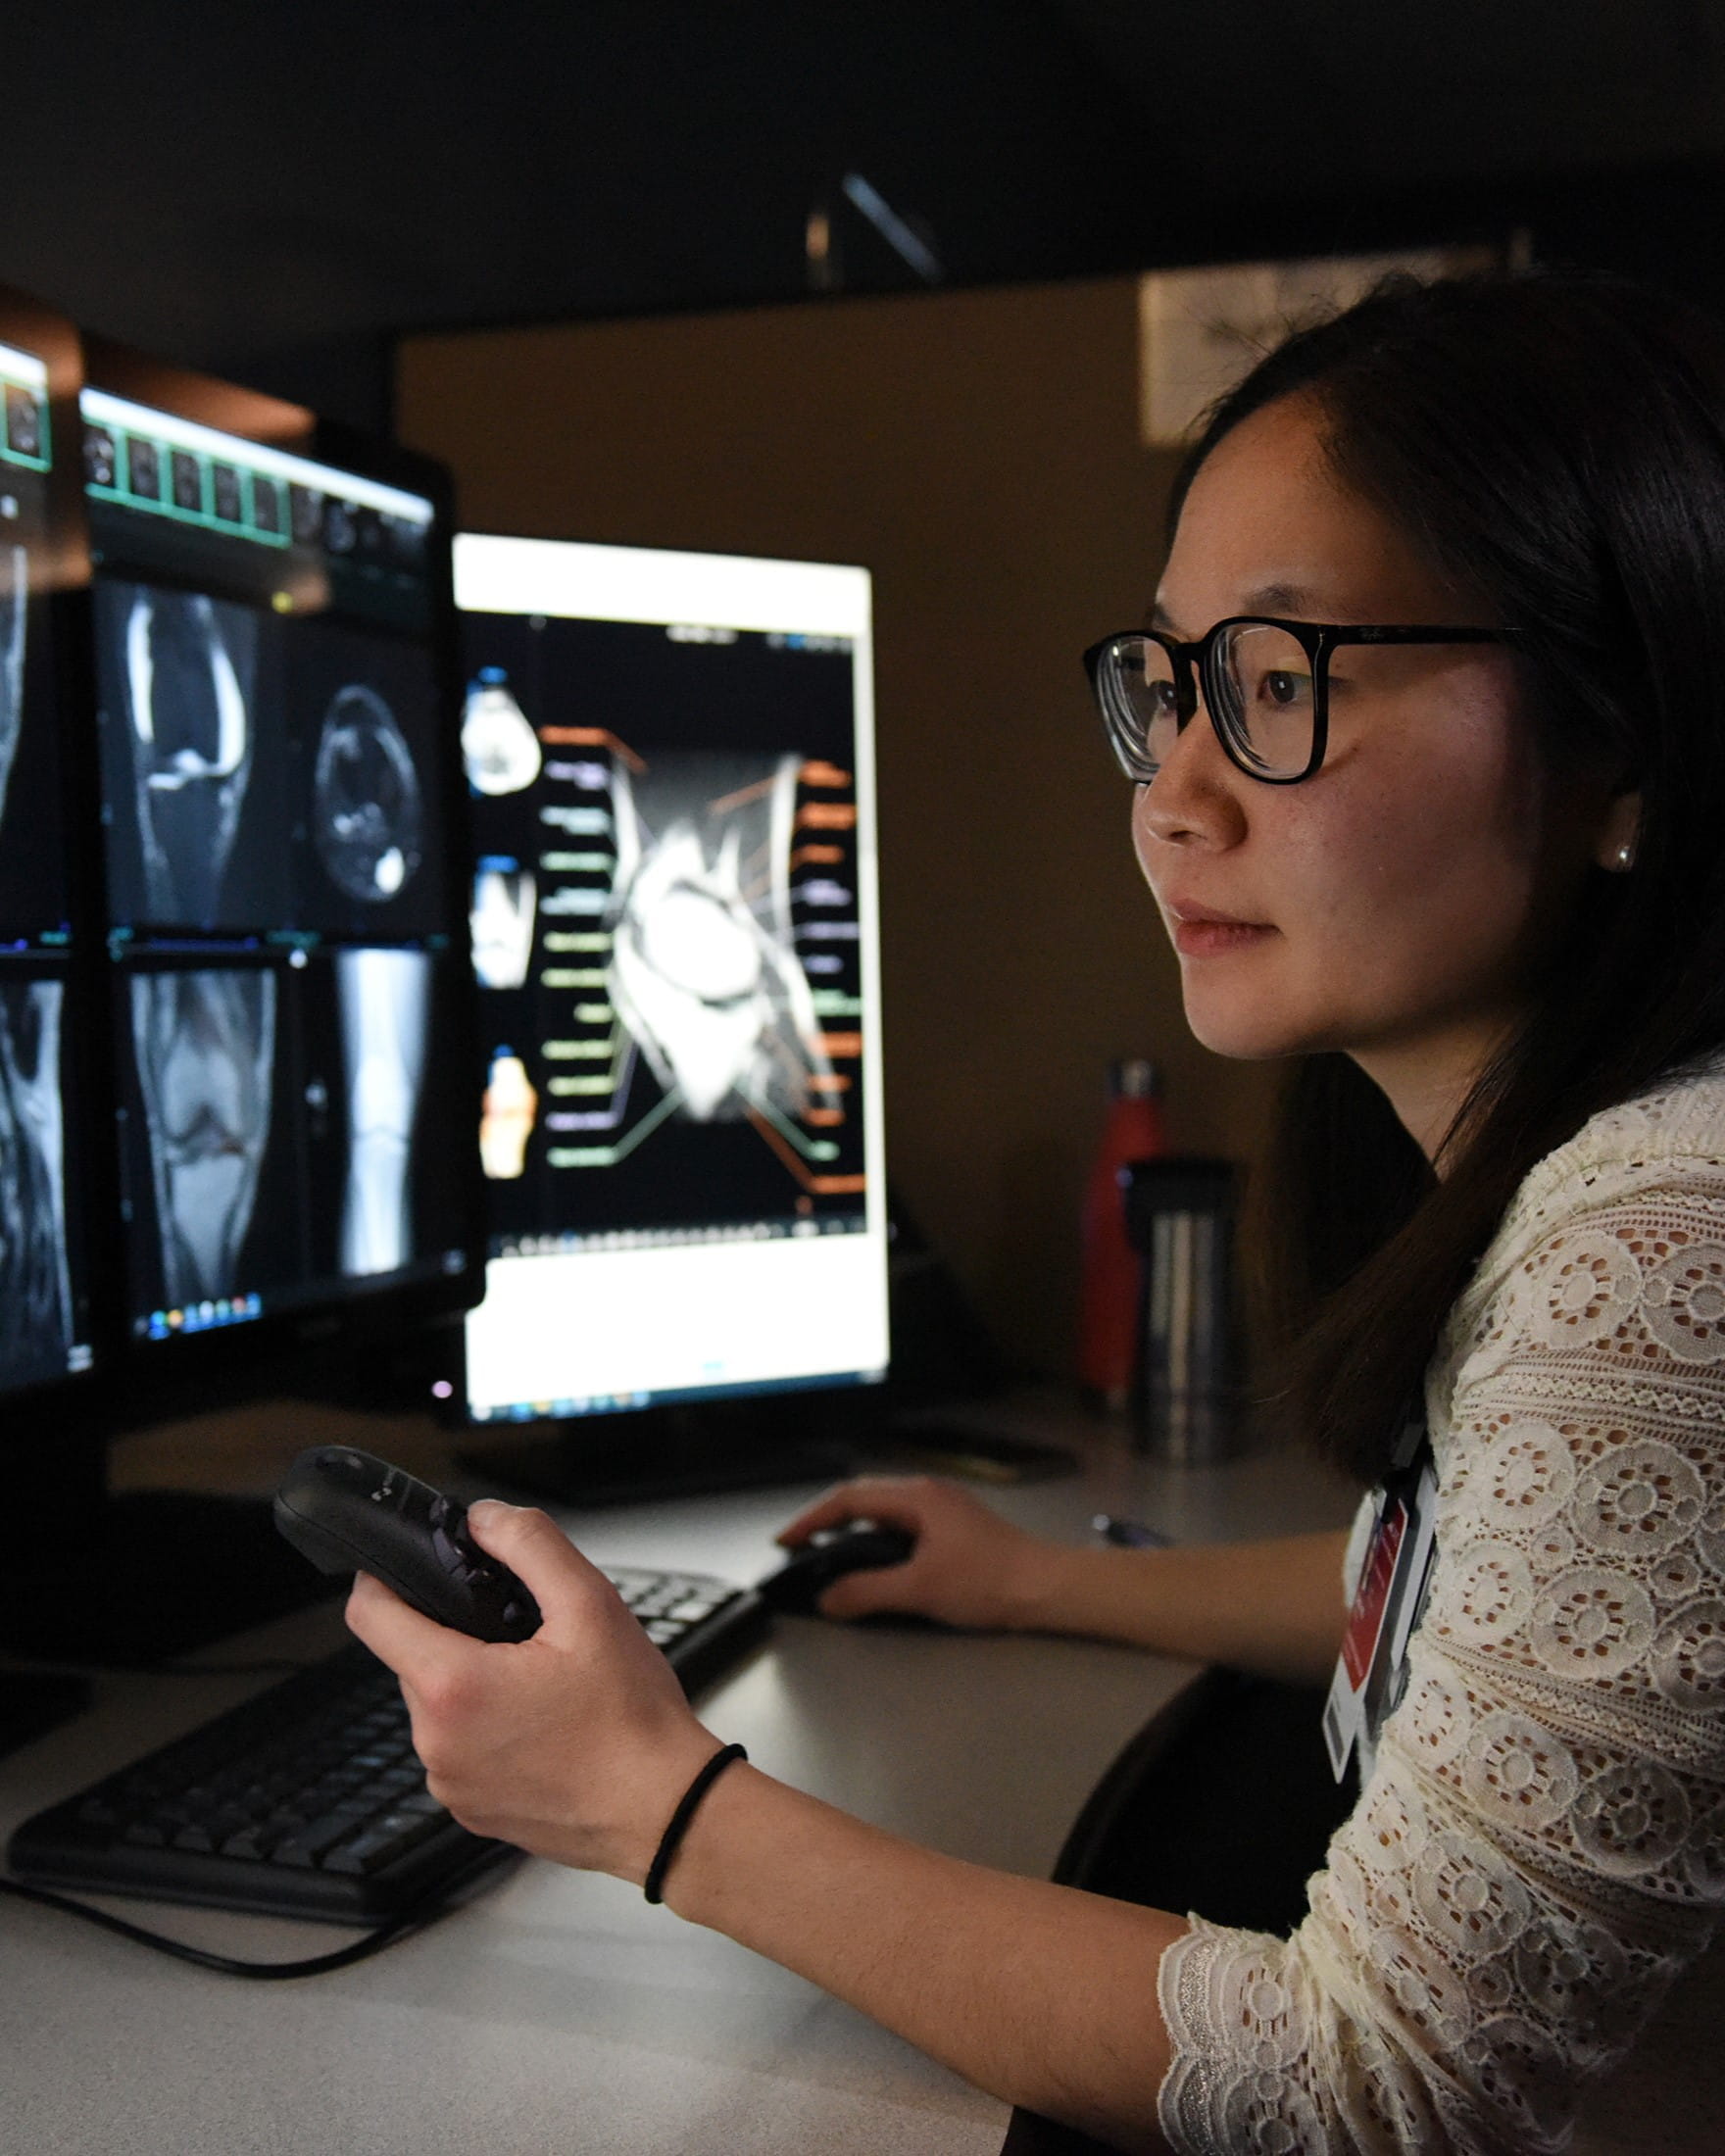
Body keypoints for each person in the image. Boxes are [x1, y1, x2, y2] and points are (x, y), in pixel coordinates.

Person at [349, 270, 1725, 2155]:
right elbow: (1473, 1611)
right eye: (1170, 681)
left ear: (1620, 750)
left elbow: (1381, 2081)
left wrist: (655, 1805)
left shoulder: (1661, 1242)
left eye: (1276, 682)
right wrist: (1037, 1577)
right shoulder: (1599, 1186)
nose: (1172, 797)